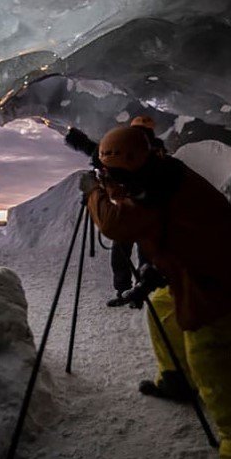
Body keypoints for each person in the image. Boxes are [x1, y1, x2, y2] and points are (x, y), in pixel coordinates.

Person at [80, 124, 231, 459]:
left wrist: (94, 191)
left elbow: (113, 223)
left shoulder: (153, 194)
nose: (114, 182)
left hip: (219, 283)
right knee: (163, 305)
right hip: (208, 272)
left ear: (135, 167)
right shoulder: (160, 174)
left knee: (210, 361)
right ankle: (176, 378)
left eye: (118, 175)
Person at [65, 117, 165, 314]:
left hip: (131, 210)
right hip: (139, 210)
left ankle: (127, 290)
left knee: (123, 252)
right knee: (144, 253)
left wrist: (95, 190)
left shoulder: (139, 151)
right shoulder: (155, 152)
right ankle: (140, 290)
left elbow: (98, 154)